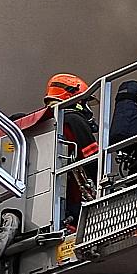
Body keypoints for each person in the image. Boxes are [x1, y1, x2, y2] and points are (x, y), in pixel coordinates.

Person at [43, 73, 97, 232]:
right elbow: (93, 161)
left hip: (45, 208)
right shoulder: (74, 120)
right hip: (73, 205)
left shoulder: (42, 124)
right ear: (77, 99)